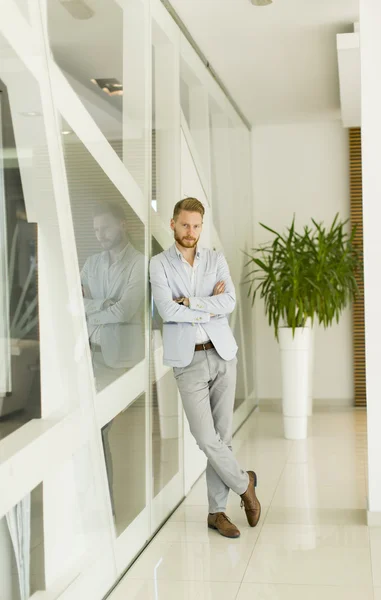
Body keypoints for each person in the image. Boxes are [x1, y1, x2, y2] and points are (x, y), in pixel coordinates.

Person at [149, 197, 261, 539]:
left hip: (223, 354)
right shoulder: (159, 264)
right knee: (205, 438)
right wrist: (209, 307)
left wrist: (192, 303)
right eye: (185, 225)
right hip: (188, 360)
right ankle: (245, 484)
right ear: (172, 224)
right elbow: (168, 311)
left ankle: (217, 513)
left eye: (196, 226)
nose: (191, 232)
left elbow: (228, 302)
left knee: (222, 437)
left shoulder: (215, 258)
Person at [81, 201, 145, 517]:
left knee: (99, 430)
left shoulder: (139, 263)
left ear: (123, 225)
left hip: (117, 362)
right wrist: (103, 304)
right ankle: (97, 505)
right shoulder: (91, 264)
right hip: (87, 359)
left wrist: (93, 308)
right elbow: (73, 303)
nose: (100, 234)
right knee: (90, 433)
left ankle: (106, 509)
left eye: (105, 227)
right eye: (95, 229)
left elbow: (125, 311)